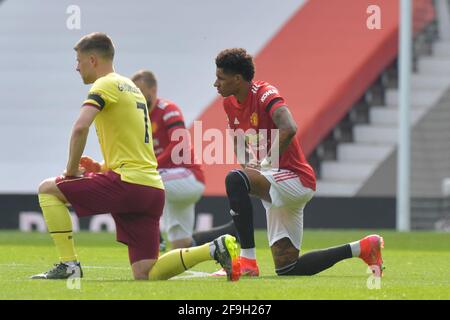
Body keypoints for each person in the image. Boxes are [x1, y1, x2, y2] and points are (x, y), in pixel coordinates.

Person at [31, 32, 240, 281]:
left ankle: (69, 265)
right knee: (146, 272)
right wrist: (101, 166)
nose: (77, 67)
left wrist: (71, 170)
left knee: (47, 190)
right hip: (150, 189)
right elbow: (134, 144)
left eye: (79, 60)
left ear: (93, 59)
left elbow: (80, 127)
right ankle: (212, 249)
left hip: (128, 184)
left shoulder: (104, 84)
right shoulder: (132, 89)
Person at [212, 48, 384, 277]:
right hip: (275, 180)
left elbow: (289, 127)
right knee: (288, 268)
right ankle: (363, 248)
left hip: (294, 178)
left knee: (235, 179)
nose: (216, 84)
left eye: (220, 78)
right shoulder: (229, 104)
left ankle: (247, 262)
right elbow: (238, 142)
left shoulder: (264, 93)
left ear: (237, 79)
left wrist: (264, 164)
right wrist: (249, 165)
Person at [131, 70, 238, 250]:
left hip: (187, 176)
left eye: (140, 91)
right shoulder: (139, 118)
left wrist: (151, 166)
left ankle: (154, 236)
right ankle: (232, 231)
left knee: (140, 181)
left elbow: (179, 144)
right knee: (180, 246)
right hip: (171, 184)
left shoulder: (167, 110)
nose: (138, 96)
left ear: (153, 89)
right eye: (134, 93)